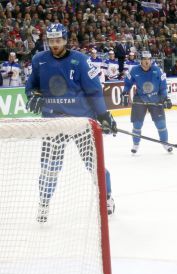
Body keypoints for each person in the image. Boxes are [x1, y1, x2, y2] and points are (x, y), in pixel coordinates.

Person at [24, 23, 118, 222]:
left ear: (66, 40)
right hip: (54, 124)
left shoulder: (81, 61)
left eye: (58, 40)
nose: (55, 44)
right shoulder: (39, 60)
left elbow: (94, 91)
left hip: (81, 123)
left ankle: (107, 197)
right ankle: (44, 203)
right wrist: (32, 95)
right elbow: (30, 85)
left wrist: (103, 115)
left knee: (94, 164)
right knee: (50, 168)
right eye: (51, 41)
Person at [121, 51, 173, 154]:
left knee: (161, 124)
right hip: (140, 99)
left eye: (148, 59)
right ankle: (135, 145)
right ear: (141, 61)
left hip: (155, 99)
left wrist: (166, 98)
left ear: (151, 60)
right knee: (137, 125)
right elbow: (127, 84)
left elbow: (163, 87)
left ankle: (165, 143)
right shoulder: (134, 70)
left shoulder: (158, 70)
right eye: (144, 59)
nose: (146, 62)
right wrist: (125, 93)